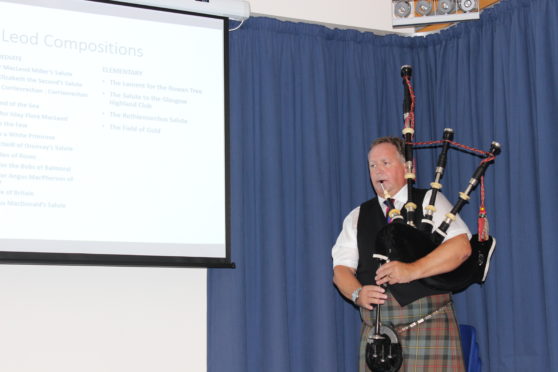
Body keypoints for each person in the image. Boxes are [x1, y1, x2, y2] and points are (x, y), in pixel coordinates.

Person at [332, 136, 472, 371]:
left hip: (428, 324)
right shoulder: (358, 216)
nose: (378, 171)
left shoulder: (429, 201)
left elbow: (461, 248)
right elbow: (340, 271)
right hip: (378, 336)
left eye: (385, 162)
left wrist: (412, 270)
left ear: (409, 167)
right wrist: (357, 293)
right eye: (372, 165)